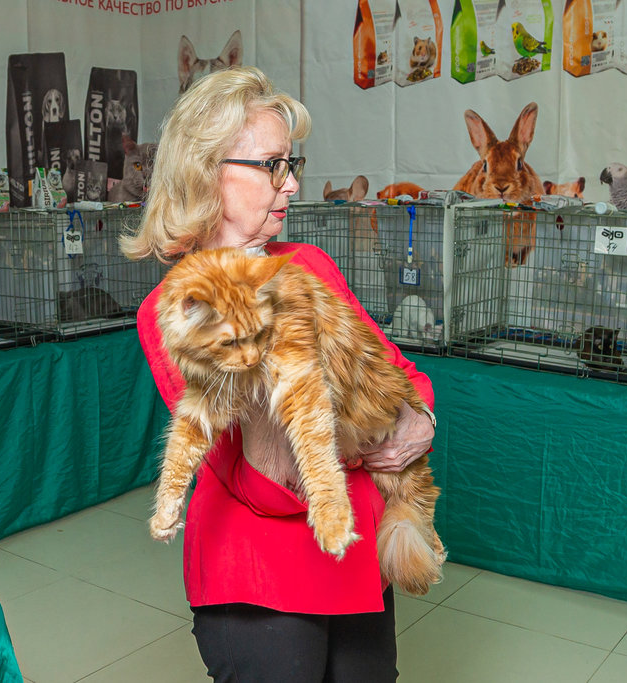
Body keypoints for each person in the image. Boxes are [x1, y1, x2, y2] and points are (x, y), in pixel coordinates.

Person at [121, 66, 436, 683]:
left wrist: (420, 421)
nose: (291, 184)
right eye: (272, 165)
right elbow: (265, 481)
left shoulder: (309, 261)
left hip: (355, 556)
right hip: (259, 574)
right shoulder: (172, 311)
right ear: (205, 172)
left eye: (292, 164)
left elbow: (402, 372)